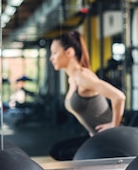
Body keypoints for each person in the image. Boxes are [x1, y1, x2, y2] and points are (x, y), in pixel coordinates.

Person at [48, 30, 126, 160]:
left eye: (55, 53)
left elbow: (119, 96)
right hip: (97, 136)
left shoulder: (82, 77)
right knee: (57, 150)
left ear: (69, 52)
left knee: (59, 151)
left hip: (113, 139)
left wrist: (114, 125)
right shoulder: (72, 78)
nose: (51, 58)